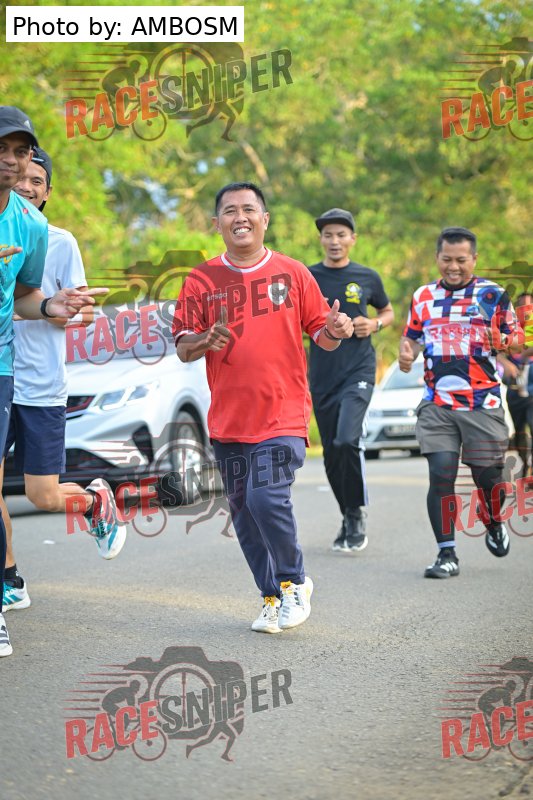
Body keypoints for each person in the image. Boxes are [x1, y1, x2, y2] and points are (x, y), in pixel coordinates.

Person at [173, 182, 353, 633]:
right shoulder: (200, 280)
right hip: (229, 420)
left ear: (265, 219)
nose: (240, 218)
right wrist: (204, 340)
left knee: (265, 497)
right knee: (244, 512)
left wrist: (336, 329)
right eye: (230, 211)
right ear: (216, 223)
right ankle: (271, 596)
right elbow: (183, 347)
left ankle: (295, 583)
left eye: (249, 209)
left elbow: (323, 335)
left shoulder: (292, 273)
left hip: (282, 413)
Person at [0, 106, 115, 656]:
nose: (22, 175)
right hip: (8, 373)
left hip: (35, 380)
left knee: (43, 495)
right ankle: (9, 579)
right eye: (9, 157)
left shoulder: (45, 234)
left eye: (30, 168)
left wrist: (58, 307)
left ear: (45, 189)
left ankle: (94, 503)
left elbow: (42, 302)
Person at [399, 226, 523, 579]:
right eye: (446, 259)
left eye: (461, 260)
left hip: (482, 403)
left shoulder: (492, 294)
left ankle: (493, 521)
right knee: (441, 474)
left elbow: (517, 340)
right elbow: (412, 338)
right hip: (437, 404)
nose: (453, 267)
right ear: (437, 257)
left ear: (474, 259)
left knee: (489, 479)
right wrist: (406, 354)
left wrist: (503, 341)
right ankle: (446, 553)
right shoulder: (423, 295)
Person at [308, 208, 394, 552]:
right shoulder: (308, 277)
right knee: (331, 452)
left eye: (341, 235)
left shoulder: (367, 276)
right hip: (322, 374)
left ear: (353, 239)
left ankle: (356, 512)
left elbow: (387, 311)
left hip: (358, 370)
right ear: (321, 239)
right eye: (328, 234)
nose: (335, 241)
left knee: (347, 439)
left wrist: (374, 324)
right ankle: (346, 513)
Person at [498, 293, 533, 478]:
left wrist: (525, 355)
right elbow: (496, 351)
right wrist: (507, 364)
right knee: (519, 431)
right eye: (522, 306)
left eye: (529, 306)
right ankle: (525, 462)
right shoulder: (509, 328)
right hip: (514, 388)